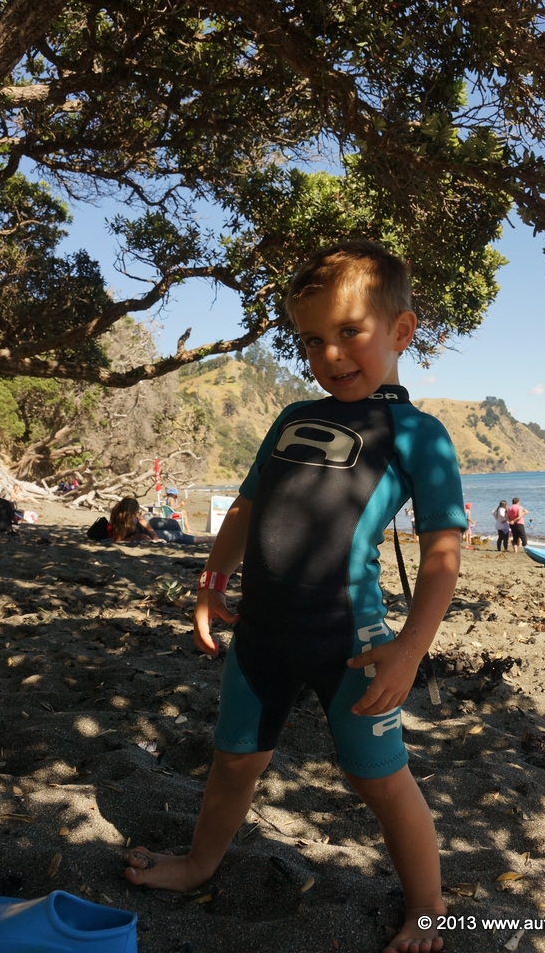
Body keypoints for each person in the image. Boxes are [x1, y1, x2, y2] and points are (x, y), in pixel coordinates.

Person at [125, 239, 466, 953]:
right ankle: (199, 865)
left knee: (379, 779)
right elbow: (246, 509)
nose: (330, 354)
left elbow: (441, 554)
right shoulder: (290, 418)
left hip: (352, 644)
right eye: (312, 340)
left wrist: (410, 649)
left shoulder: (419, 435)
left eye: (349, 332)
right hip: (261, 636)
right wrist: (210, 584)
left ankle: (428, 907)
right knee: (234, 761)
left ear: (402, 330)